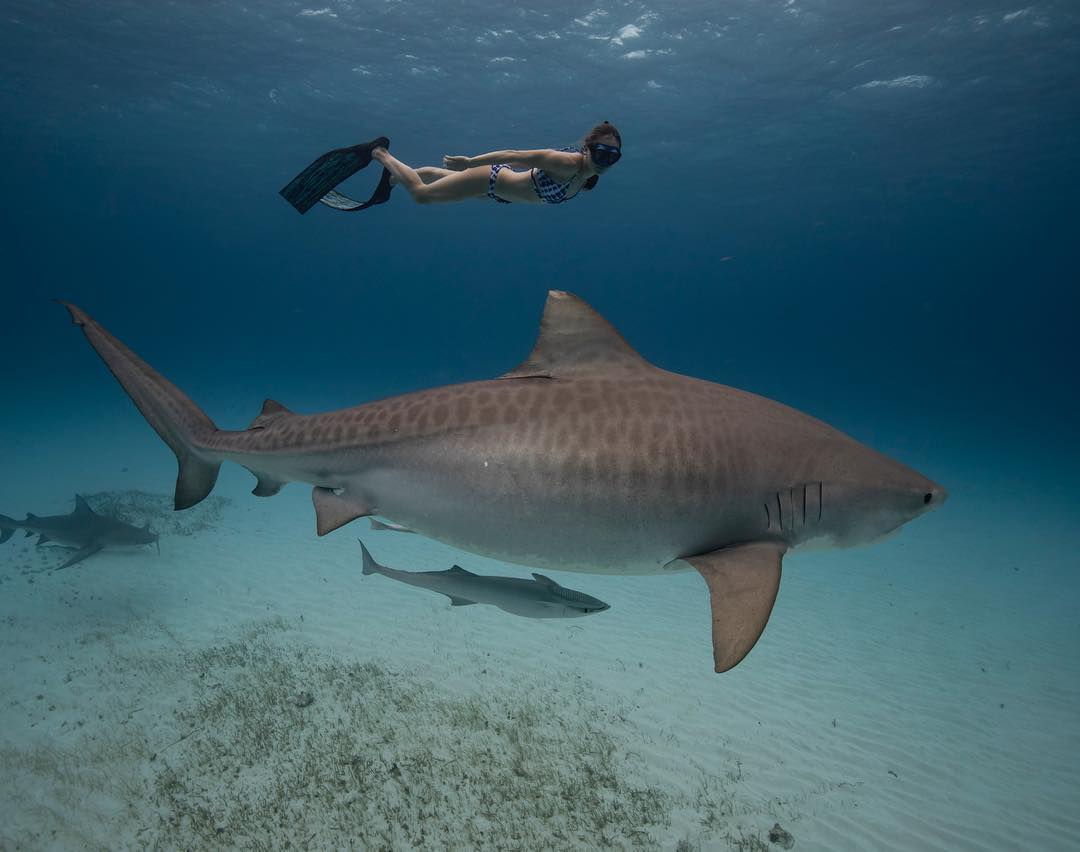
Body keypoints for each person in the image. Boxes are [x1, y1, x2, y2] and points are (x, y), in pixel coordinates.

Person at [372, 121, 622, 205]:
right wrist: (470, 163)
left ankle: (394, 179)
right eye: (601, 152)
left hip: (499, 195)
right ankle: (380, 152)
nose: (605, 161)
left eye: (612, 156)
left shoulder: (588, 178)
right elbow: (513, 155)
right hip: (490, 179)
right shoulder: (565, 163)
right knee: (422, 196)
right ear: (587, 149)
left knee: (440, 176)